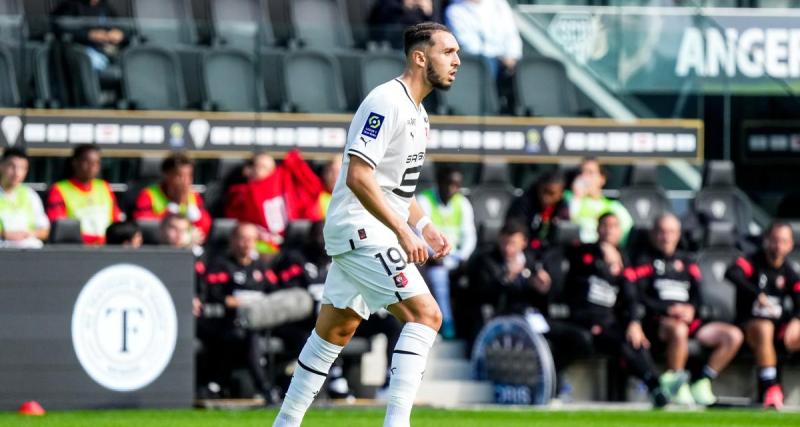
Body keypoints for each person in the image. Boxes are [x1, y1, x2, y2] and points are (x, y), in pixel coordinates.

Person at [272, 22, 460, 427]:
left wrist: (423, 224)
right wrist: (401, 231)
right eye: (448, 52)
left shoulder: (419, 114)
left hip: (370, 227)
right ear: (419, 56)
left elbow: (394, 187)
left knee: (335, 332)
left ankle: (284, 423)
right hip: (361, 227)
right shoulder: (385, 102)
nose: (456, 61)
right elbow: (359, 177)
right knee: (426, 315)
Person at [627, 213, 743, 406]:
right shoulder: (642, 261)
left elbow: (699, 296)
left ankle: (702, 380)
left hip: (689, 319)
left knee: (733, 336)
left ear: (678, 234)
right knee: (678, 329)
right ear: (652, 234)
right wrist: (668, 309)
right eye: (662, 232)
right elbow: (637, 296)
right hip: (659, 322)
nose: (666, 237)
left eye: (671, 232)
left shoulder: (688, 262)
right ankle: (676, 384)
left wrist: (692, 310)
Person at [562, 212, 667, 407]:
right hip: (585, 319)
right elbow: (571, 270)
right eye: (605, 225)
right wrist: (602, 256)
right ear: (597, 228)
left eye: (614, 226)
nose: (609, 230)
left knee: (636, 341)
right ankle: (655, 383)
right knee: (621, 342)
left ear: (620, 231)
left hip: (609, 321)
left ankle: (656, 386)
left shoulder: (624, 259)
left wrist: (635, 323)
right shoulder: (583, 252)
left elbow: (631, 296)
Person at [725, 222, 800, 410]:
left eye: (783, 241)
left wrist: (796, 320)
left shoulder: (788, 271)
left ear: (790, 245)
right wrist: (756, 294)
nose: (778, 246)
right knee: (764, 327)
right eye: (774, 240)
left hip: (778, 329)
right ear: (766, 241)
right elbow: (732, 273)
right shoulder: (753, 262)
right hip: (750, 324)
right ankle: (771, 387)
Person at [464, 220, 549, 342]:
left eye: (512, 243)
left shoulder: (532, 262)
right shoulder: (487, 261)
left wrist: (543, 288)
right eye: (504, 243)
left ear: (524, 243)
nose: (507, 248)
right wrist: (507, 277)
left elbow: (542, 299)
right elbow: (482, 294)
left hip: (529, 316)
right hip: (500, 317)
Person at [225, 150, 324, 253]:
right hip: (263, 246)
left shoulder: (285, 179)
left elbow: (314, 187)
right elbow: (237, 219)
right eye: (259, 166)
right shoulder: (242, 194)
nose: (265, 171)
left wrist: (295, 162)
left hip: (295, 242)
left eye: (267, 167)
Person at [418, 167, 476, 339]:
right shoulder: (424, 200)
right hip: (432, 258)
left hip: (455, 257)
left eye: (456, 185)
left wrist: (464, 257)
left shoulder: (463, 203)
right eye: (448, 183)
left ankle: (467, 329)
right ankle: (446, 322)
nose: (452, 188)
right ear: (439, 183)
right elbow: (417, 235)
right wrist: (434, 254)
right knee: (438, 275)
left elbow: (470, 236)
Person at [444, 0, 521, 111]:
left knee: (525, 68)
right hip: (482, 61)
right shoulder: (454, 10)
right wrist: (499, 58)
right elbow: (469, 45)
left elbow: (512, 35)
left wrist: (512, 56)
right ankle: (492, 108)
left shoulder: (500, 4)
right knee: (486, 63)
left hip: (507, 59)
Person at [46, 144, 123, 245]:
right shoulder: (59, 189)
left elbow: (116, 219)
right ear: (75, 163)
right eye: (87, 162)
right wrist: (92, 240)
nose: (92, 166)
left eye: (96, 163)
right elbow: (59, 228)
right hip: (77, 248)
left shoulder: (104, 187)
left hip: (107, 246)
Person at [134, 153, 211, 244]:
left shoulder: (194, 197)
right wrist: (174, 207)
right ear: (166, 176)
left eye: (189, 176)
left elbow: (205, 228)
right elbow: (145, 228)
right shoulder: (148, 195)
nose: (185, 182)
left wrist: (192, 209)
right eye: (179, 176)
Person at [565, 158, 633, 245]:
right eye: (581, 173)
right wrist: (577, 198)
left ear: (602, 179)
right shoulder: (568, 198)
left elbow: (626, 232)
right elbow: (567, 223)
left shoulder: (614, 207)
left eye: (590, 173)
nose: (584, 177)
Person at [52, 0, 127, 72]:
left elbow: (123, 27)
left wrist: (119, 34)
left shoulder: (105, 6)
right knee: (96, 62)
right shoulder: (70, 5)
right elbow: (60, 28)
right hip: (81, 52)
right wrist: (89, 35)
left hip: (106, 51)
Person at [505, 170, 570, 250]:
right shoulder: (524, 203)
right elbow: (518, 230)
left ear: (561, 194)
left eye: (551, 193)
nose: (545, 197)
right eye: (544, 191)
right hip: (527, 247)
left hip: (552, 249)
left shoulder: (563, 207)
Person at [0, 148, 49, 248]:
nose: (16, 172)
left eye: (22, 168)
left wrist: (30, 234)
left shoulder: (31, 195)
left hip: (29, 251)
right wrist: (4, 234)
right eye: (11, 166)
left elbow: (45, 231)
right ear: (1, 166)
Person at [369, 0, 434, 50]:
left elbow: (438, 30)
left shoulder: (425, 4)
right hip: (392, 49)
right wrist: (405, 6)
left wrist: (429, 13)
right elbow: (383, 23)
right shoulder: (388, 4)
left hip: (420, 48)